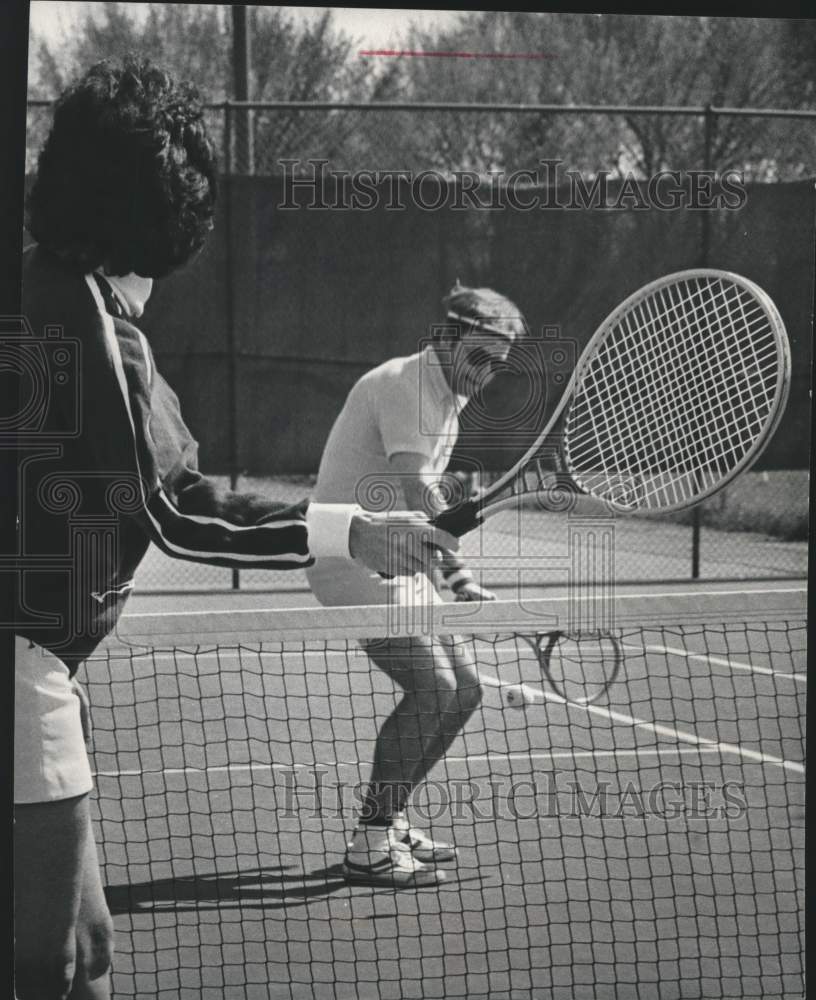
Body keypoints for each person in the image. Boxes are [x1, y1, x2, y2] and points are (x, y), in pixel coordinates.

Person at [14, 57, 457, 1000]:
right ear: (161, 206)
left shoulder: (46, 292)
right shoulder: (92, 328)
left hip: (40, 666)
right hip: (21, 668)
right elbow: (176, 510)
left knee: (86, 952)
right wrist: (354, 533)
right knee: (55, 962)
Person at [306, 283, 527, 887]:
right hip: (349, 558)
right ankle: (370, 843)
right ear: (448, 337)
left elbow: (421, 513)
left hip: (397, 561)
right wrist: (465, 550)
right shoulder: (406, 384)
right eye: (478, 356)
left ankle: (391, 819)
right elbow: (414, 495)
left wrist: (457, 577)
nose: (486, 373)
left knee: (467, 692)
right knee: (433, 689)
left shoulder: (445, 399)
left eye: (498, 365)